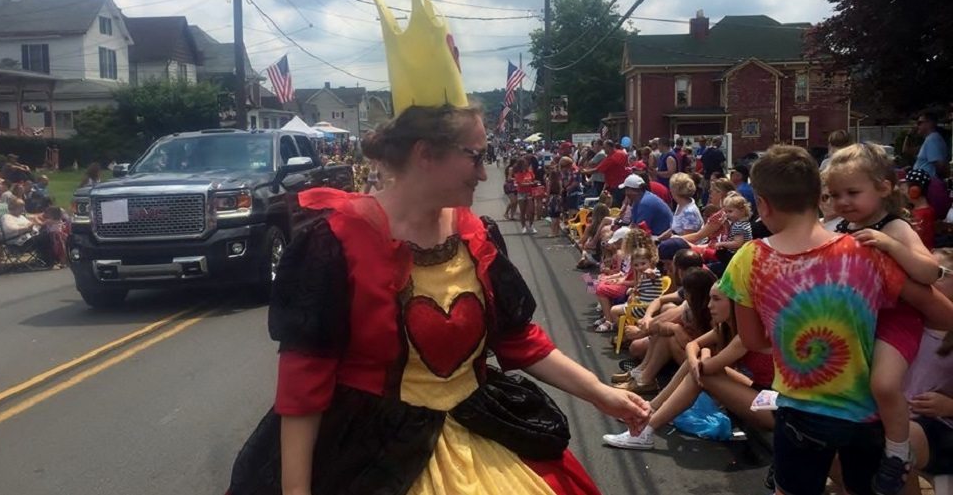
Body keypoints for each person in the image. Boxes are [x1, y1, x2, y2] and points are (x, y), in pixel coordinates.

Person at [227, 104, 651, 495]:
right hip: (370, 456)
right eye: (475, 156)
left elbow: (518, 341)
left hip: (477, 429)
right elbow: (304, 384)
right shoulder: (333, 243)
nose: (485, 174)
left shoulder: (477, 236)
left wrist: (600, 393)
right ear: (425, 153)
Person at [720, 145, 953, 495]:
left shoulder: (748, 258)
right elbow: (943, 313)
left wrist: (797, 341)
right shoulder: (868, 250)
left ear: (763, 204)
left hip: (799, 412)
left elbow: (753, 341)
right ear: (819, 196)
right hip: (865, 415)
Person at [825, 143, 940, 494]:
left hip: (896, 319)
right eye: (834, 194)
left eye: (852, 192)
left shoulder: (895, 227)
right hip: (857, 319)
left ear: (884, 188)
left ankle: (898, 453)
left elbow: (931, 271)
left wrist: (891, 246)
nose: (842, 201)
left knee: (885, 385)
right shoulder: (841, 227)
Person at [604, 282, 774, 449]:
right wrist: (697, 358)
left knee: (702, 372)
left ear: (735, 304)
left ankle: (645, 428)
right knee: (697, 362)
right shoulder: (725, 328)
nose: (709, 305)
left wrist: (700, 358)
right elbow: (693, 346)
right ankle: (651, 410)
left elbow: (707, 368)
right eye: (709, 299)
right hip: (760, 392)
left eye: (716, 299)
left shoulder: (747, 335)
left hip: (777, 407)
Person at [614, 268, 716, 394]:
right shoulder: (690, 307)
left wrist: (676, 330)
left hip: (702, 362)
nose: (685, 295)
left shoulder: (713, 317)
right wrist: (672, 327)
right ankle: (641, 372)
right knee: (665, 331)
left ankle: (645, 380)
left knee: (670, 339)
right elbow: (661, 322)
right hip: (691, 353)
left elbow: (695, 346)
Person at [906, 248, 953, 495]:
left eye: (939, 273)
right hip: (900, 416)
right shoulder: (907, 323)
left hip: (942, 426)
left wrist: (949, 406)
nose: (924, 278)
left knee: (896, 442)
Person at [661, 172, 703, 239]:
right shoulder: (681, 205)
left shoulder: (689, 212)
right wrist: (659, 239)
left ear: (673, 191)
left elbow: (689, 238)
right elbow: (674, 229)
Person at [909, 111, 949, 179]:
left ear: (929, 123)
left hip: (927, 184)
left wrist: (935, 183)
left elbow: (940, 165)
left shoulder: (933, 139)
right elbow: (906, 151)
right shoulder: (931, 139)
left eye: (919, 123)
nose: (917, 126)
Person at [904, 169, 937, 249]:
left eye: (905, 188)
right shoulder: (927, 210)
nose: (904, 192)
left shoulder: (921, 215)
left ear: (914, 191)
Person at [513, 157, 539, 234]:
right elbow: (520, 184)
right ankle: (523, 226)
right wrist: (530, 183)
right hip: (521, 193)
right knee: (522, 211)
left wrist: (535, 182)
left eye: (526, 165)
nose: (526, 166)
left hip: (529, 193)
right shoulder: (518, 174)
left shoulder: (530, 173)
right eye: (524, 165)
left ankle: (531, 225)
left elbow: (533, 180)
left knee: (531, 211)